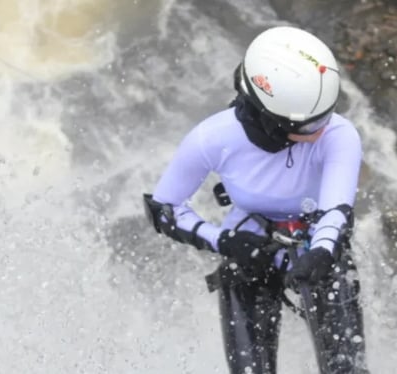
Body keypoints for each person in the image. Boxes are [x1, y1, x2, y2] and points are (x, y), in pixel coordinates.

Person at [144, 26, 369, 374]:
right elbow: (164, 209)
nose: (324, 128)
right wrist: (225, 241)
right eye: (312, 124)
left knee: (348, 370)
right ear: (271, 122)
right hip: (249, 246)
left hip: (318, 243)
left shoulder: (340, 136)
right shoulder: (211, 138)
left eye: (328, 114)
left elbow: (336, 211)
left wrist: (321, 253)